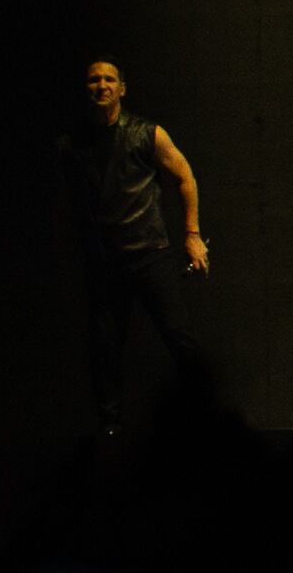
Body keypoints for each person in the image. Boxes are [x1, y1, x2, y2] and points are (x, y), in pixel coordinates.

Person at [64, 59, 208, 434]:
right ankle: (110, 427)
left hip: (149, 254)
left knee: (180, 337)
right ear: (86, 88)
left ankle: (206, 414)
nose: (101, 85)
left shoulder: (146, 133)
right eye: (94, 80)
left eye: (109, 79)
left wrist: (192, 235)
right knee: (105, 348)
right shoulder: (73, 143)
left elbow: (185, 176)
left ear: (122, 89)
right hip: (105, 262)